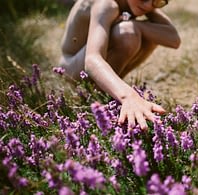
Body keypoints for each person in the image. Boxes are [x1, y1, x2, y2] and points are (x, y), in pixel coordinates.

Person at [59, 0, 181, 130]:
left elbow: (174, 40)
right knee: (127, 32)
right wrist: (128, 96)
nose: (148, 6)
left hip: (90, 64)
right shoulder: (106, 4)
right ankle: (98, 98)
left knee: (145, 32)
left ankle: (110, 94)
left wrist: (137, 25)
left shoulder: (144, 4)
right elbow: (92, 59)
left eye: (159, 1)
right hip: (73, 68)